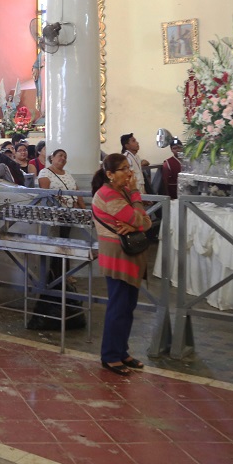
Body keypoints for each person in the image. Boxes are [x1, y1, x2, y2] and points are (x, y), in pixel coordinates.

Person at [91, 154, 152, 376]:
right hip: (117, 255)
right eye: (124, 169)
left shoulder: (121, 191)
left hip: (128, 254)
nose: (129, 173)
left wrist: (137, 224)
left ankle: (121, 351)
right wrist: (136, 198)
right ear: (109, 174)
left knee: (128, 306)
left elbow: (145, 222)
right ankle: (110, 355)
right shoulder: (107, 195)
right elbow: (139, 220)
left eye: (129, 168)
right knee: (118, 306)